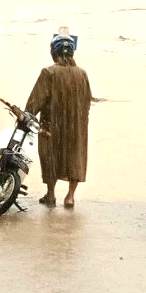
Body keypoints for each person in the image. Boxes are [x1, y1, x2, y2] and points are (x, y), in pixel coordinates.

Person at [25, 33, 92, 208]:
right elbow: (87, 101)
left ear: (54, 53)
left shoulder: (49, 72)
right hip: (76, 126)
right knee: (75, 158)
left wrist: (27, 116)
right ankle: (70, 197)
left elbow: (36, 100)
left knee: (51, 158)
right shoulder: (82, 74)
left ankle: (51, 195)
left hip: (52, 125)